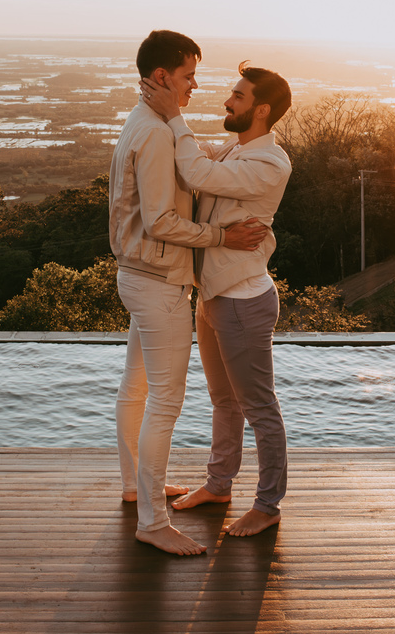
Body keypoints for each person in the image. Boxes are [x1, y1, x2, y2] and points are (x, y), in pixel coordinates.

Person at [108, 30, 267, 556]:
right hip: (159, 280)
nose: (196, 85)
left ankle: (137, 486)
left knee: (136, 390)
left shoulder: (143, 120)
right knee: (165, 401)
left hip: (136, 275)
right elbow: (160, 221)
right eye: (188, 76)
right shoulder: (155, 132)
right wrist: (223, 236)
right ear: (161, 77)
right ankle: (152, 522)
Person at [140, 61, 293, 538]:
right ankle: (219, 484)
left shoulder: (270, 162)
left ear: (262, 109)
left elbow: (197, 173)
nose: (227, 101)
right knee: (223, 400)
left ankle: (267, 505)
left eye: (238, 96)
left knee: (259, 407)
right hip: (213, 297)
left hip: (244, 302)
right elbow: (204, 158)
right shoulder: (237, 147)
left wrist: (172, 114)